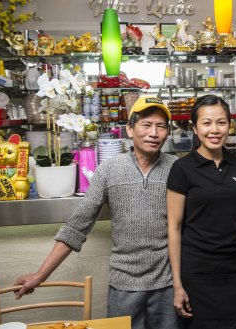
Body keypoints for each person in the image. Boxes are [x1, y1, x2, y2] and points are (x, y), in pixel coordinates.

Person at [14, 96, 184, 329]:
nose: (153, 133)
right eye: (146, 125)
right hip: (124, 284)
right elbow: (76, 226)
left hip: (168, 284)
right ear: (129, 129)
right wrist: (41, 275)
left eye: (161, 126)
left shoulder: (177, 168)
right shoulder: (108, 170)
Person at [166, 94, 236, 329]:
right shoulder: (182, 169)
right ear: (195, 128)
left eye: (221, 122)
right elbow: (174, 229)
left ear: (229, 125)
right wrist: (177, 284)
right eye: (206, 123)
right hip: (198, 271)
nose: (214, 130)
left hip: (235, 270)